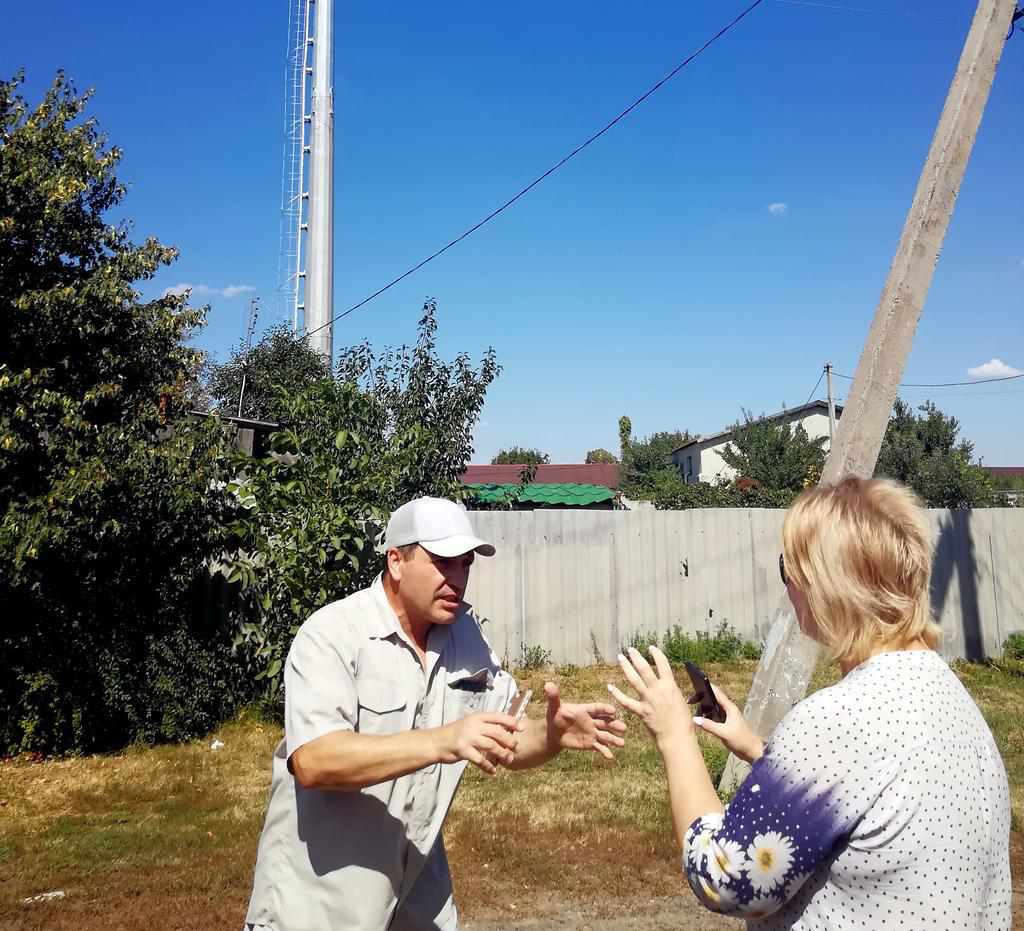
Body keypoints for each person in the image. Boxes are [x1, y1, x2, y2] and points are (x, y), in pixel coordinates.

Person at [610, 477, 1011, 929]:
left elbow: (724, 878)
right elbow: (869, 797)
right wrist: (762, 753)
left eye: (789, 568)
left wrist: (675, 736)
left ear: (824, 585)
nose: (788, 585)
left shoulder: (842, 718)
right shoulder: (948, 696)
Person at [243, 496, 626, 931]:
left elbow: (502, 738)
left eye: (465, 564)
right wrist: (442, 739)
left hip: (418, 901)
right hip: (318, 907)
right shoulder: (332, 635)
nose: (457, 578)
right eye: (443, 562)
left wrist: (551, 736)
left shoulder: (466, 635)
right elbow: (314, 761)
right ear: (396, 561)